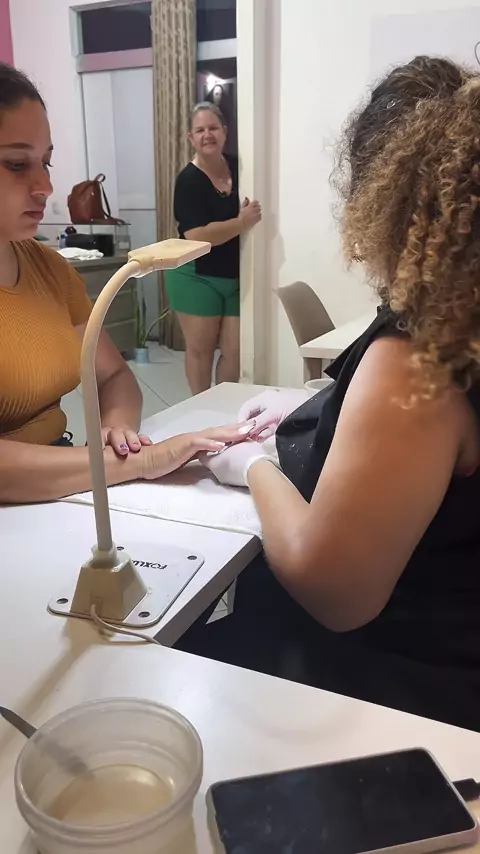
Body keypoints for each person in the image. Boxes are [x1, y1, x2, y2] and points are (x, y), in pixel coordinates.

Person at [176, 56, 480, 733]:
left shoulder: (415, 362)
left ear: (382, 193)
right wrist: (318, 409)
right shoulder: (462, 326)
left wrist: (251, 467)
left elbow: (333, 590)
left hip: (390, 696)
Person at [0, 64, 252, 504]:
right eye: (18, 164)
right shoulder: (189, 180)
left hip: (61, 482)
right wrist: (136, 462)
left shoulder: (48, 269)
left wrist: (116, 430)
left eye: (46, 162)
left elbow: (115, 374)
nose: (46, 186)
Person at [166, 102, 261, 395]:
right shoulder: (189, 180)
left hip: (234, 277)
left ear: (224, 132)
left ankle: (223, 408)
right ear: (190, 138)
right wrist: (241, 223)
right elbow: (196, 236)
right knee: (201, 352)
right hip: (196, 277)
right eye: (200, 130)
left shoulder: (239, 167)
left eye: (213, 128)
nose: (207, 135)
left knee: (235, 352)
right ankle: (200, 410)